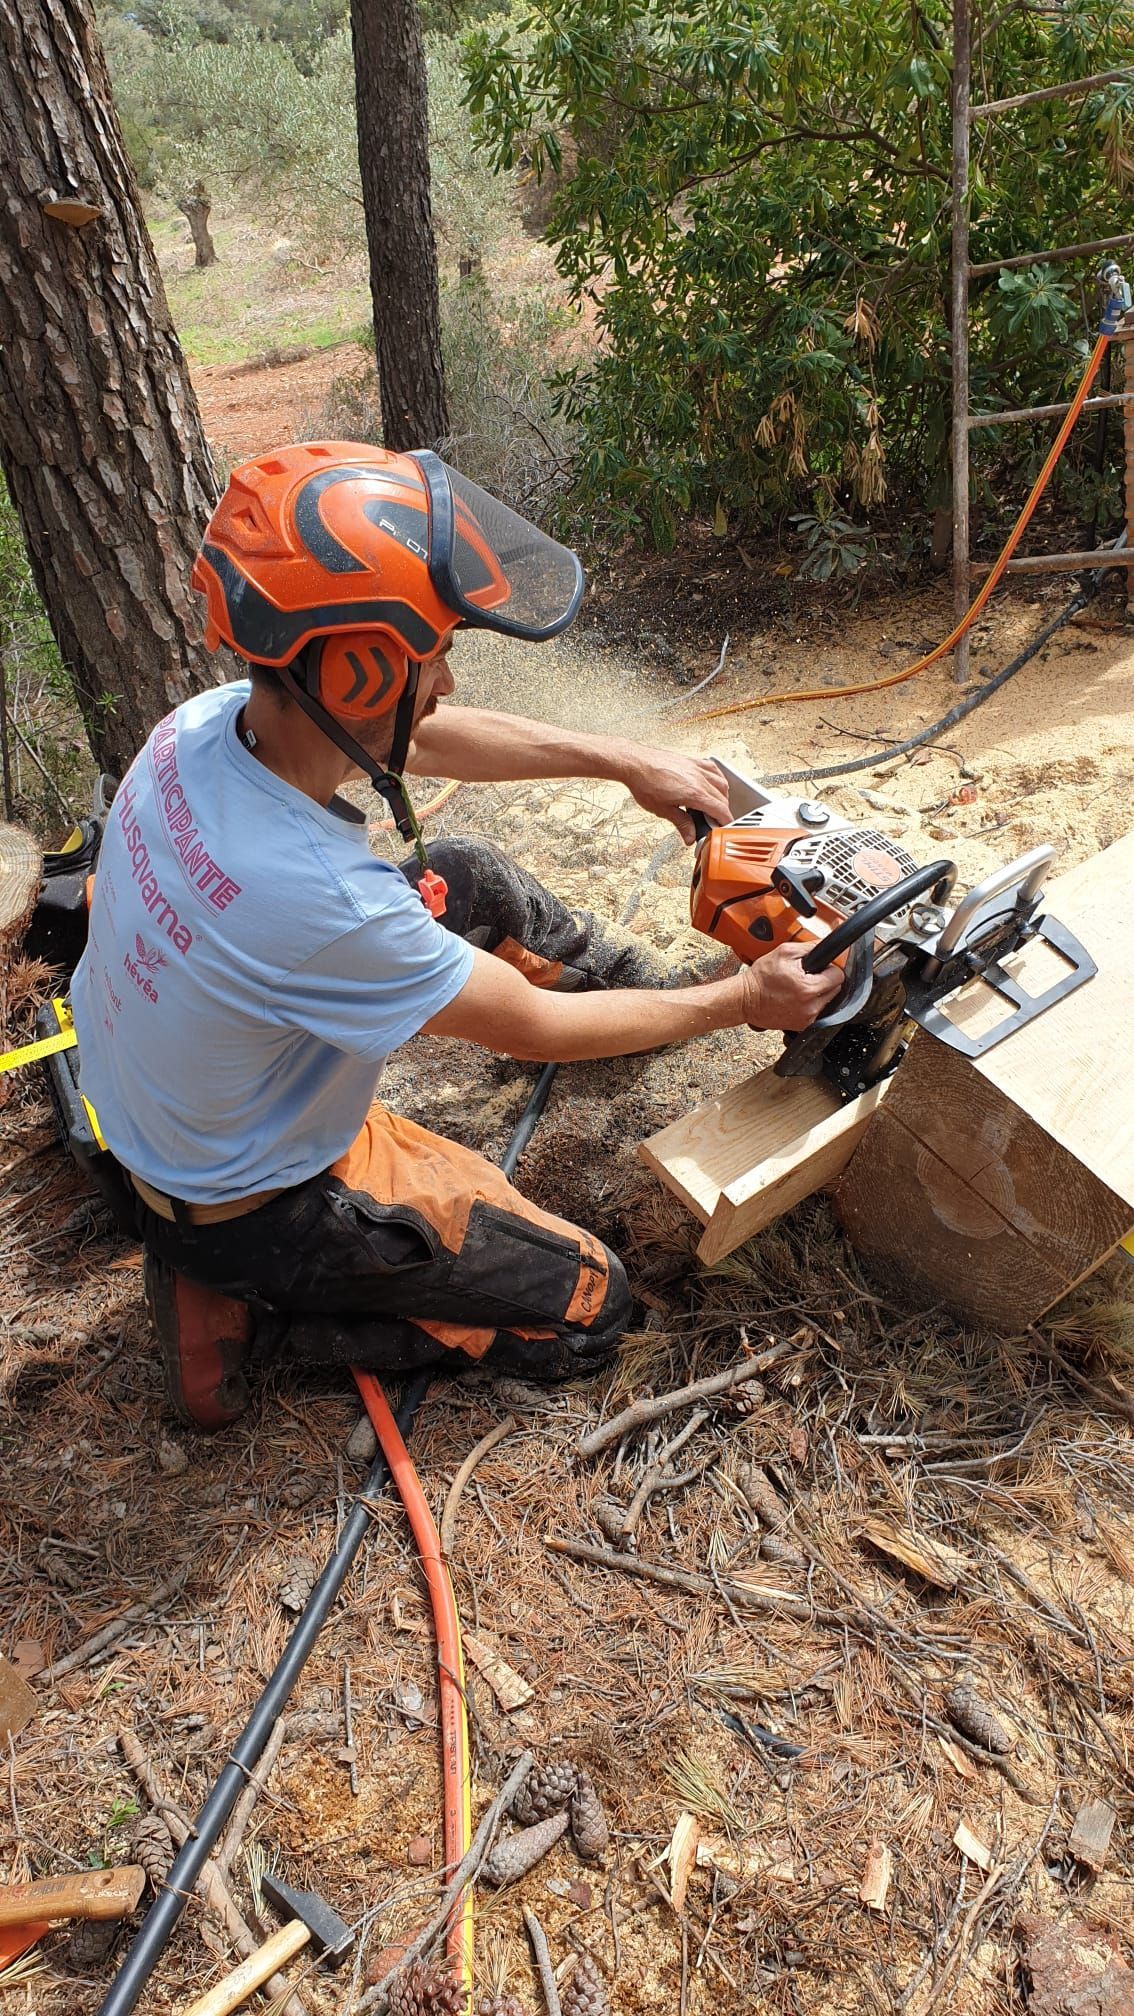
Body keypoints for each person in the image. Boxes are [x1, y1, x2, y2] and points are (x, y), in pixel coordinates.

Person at [70, 442, 840, 1428]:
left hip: (165, 1116)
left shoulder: (210, 724)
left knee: (466, 873)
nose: (445, 673)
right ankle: (256, 1313)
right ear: (352, 669)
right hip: (252, 1205)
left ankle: (646, 1012)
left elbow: (420, 733)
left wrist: (622, 761)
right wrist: (740, 999)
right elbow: (528, 1029)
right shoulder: (321, 900)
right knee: (590, 1309)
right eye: (431, 650)